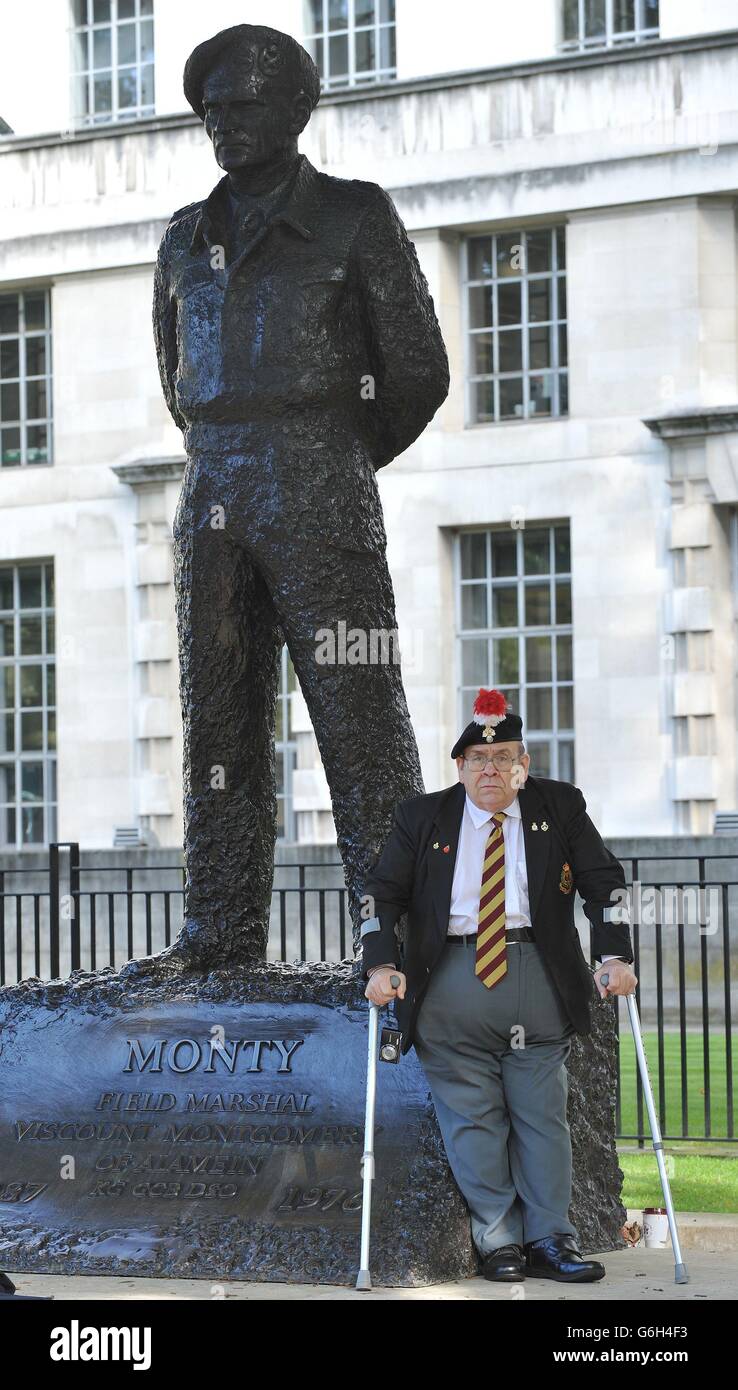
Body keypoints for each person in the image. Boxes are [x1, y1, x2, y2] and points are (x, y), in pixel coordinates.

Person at [141, 24, 448, 975]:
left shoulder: (355, 218)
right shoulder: (184, 238)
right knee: (219, 721)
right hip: (215, 490)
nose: (223, 124)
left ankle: (393, 927)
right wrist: (235, 452)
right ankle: (219, 931)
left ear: (294, 110)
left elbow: (419, 373)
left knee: (359, 718)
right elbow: (176, 378)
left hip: (319, 483)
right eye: (211, 111)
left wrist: (334, 458)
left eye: (241, 105)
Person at [361, 687, 637, 1282]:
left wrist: (614, 954)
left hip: (537, 974)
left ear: (523, 766)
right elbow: (380, 894)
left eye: (505, 758)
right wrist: (380, 965)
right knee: (472, 1120)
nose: (492, 769)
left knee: (543, 1116)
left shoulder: (558, 806)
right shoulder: (423, 816)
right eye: (479, 761)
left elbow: (604, 882)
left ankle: (551, 1240)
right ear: (459, 768)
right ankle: (498, 1242)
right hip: (450, 979)